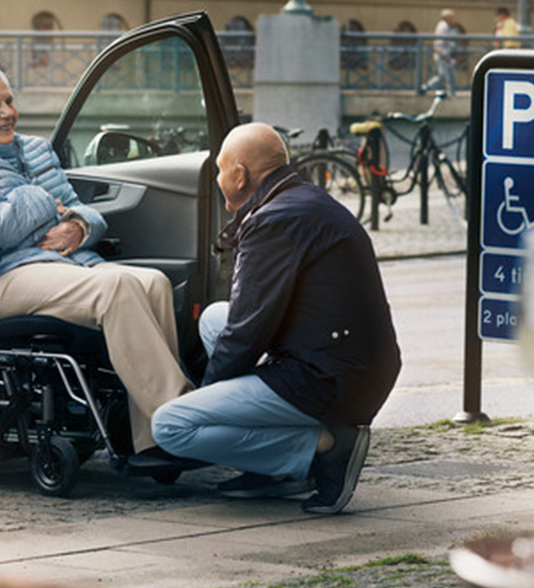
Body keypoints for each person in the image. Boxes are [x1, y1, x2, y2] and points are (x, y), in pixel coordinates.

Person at [0, 61, 195, 461]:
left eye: (9, 101)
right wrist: (37, 203)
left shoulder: (34, 150)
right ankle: (182, 423)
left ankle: (151, 436)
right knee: (116, 287)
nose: (6, 113)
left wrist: (79, 227)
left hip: (57, 264)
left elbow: (78, 210)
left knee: (153, 281)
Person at [152, 123, 401, 514]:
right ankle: (274, 468)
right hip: (353, 363)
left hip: (328, 380)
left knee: (171, 426)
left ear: (240, 174)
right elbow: (246, 323)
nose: (219, 179)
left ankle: (326, 448)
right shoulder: (302, 199)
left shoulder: (273, 221)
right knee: (214, 317)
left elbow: (247, 332)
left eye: (220, 169)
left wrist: (206, 399)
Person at [425, 8, 457, 95]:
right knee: (443, 76)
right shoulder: (443, 27)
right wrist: (446, 55)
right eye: (452, 17)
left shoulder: (445, 26)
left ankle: (451, 93)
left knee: (447, 76)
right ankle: (426, 87)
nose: (454, 19)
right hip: (442, 56)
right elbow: (440, 42)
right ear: (448, 18)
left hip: (444, 55)